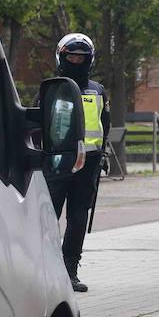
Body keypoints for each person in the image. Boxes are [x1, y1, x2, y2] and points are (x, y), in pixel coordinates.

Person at [46, 33, 109, 292]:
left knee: (78, 217)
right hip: (57, 163)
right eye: (71, 56)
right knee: (49, 217)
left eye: (80, 57)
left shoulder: (98, 91)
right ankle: (46, 269)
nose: (76, 61)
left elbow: (106, 125)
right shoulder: (52, 88)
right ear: (62, 57)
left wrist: (102, 156)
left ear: (90, 60)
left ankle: (70, 270)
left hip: (88, 165)